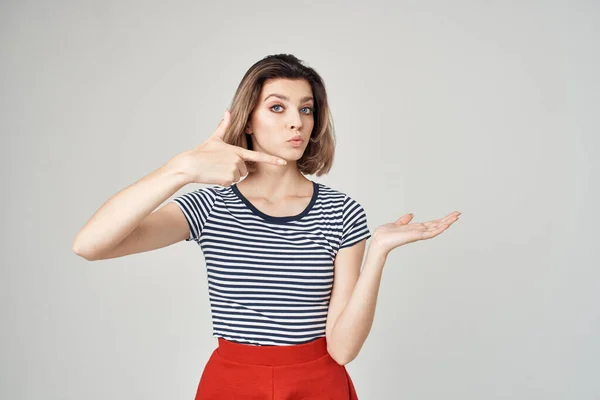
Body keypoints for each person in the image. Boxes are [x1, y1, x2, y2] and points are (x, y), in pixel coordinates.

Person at [72, 53, 461, 399]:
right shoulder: (209, 206)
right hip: (231, 384)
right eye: (278, 108)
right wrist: (182, 169)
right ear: (248, 121)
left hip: (318, 383)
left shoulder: (341, 212)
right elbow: (90, 245)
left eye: (306, 110)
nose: (296, 122)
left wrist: (377, 252)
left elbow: (342, 350)